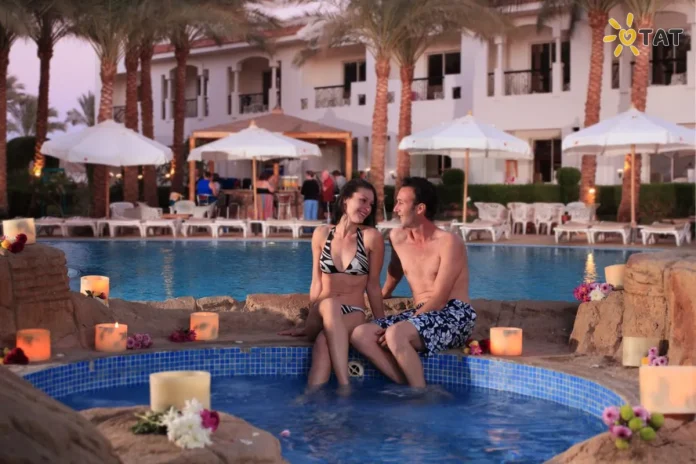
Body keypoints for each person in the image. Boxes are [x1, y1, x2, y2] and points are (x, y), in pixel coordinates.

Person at [350, 177, 476, 389]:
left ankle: (420, 395)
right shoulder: (397, 237)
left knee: (396, 334)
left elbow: (439, 298)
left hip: (454, 314)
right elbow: (396, 269)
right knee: (360, 334)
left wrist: (402, 326)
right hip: (420, 314)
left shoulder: (448, 242)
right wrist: (384, 293)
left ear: (420, 208)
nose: (395, 209)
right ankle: (406, 384)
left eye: (401, 203)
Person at [279, 179, 385, 392]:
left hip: (353, 313)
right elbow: (316, 281)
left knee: (323, 343)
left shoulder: (371, 238)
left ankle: (312, 399)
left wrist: (383, 323)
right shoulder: (321, 234)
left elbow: (373, 286)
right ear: (345, 200)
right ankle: (345, 385)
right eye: (362, 200)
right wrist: (309, 320)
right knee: (329, 305)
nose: (367, 208)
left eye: (371, 204)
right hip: (321, 311)